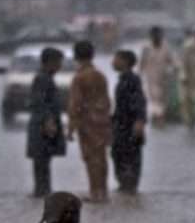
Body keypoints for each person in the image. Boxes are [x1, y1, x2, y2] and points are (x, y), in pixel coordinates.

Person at [67, 40, 113, 203]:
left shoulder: (79, 78)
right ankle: (104, 191)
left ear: (76, 56)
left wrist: (71, 127)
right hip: (102, 121)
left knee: (90, 158)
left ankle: (95, 192)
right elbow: (107, 100)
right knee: (102, 156)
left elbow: (75, 104)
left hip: (86, 123)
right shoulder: (100, 76)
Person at [26, 47, 67, 198]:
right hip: (41, 127)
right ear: (50, 62)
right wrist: (48, 121)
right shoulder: (42, 78)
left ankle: (43, 190)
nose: (60, 66)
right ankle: (42, 191)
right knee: (41, 160)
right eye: (58, 62)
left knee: (43, 160)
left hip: (42, 125)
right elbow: (40, 102)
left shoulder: (46, 78)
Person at [110, 50, 147, 195]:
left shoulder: (132, 79)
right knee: (119, 155)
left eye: (116, 59)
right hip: (121, 125)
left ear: (124, 61)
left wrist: (139, 120)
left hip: (129, 126)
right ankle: (125, 187)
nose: (112, 62)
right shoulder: (123, 79)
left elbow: (140, 101)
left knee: (129, 156)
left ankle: (129, 188)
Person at [139, 26, 177, 129]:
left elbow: (173, 60)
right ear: (151, 37)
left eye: (159, 35)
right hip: (151, 79)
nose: (157, 37)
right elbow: (141, 63)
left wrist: (175, 69)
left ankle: (157, 116)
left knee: (163, 100)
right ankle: (160, 119)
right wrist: (139, 76)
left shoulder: (166, 47)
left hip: (164, 78)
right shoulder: (146, 48)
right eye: (154, 36)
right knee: (155, 98)